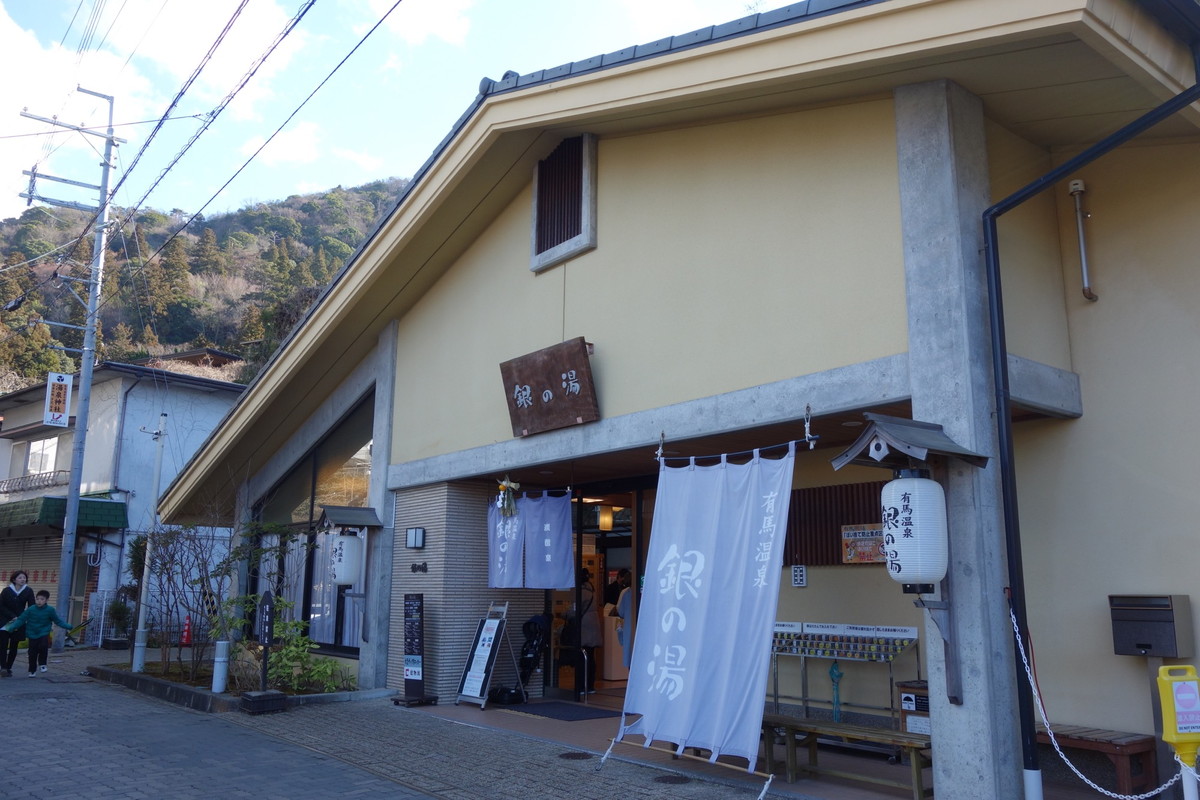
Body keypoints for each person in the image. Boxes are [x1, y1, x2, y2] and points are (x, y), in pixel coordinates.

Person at [1, 589, 72, 677]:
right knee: (32, 652)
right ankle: (32, 670)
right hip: (32, 633)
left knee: (43, 645)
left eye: (42, 599)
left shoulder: (50, 610)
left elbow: (57, 621)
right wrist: (12, 627)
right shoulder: (31, 609)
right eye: (37, 599)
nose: (39, 601)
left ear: (46, 600)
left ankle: (42, 664)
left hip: (43, 631)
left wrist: (68, 626)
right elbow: (21, 619)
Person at [574, 567, 603, 695]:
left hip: (584, 627)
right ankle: (590, 685)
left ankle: (581, 686)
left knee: (582, 657)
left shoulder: (582, 592)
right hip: (593, 626)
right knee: (590, 657)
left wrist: (565, 614)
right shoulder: (592, 590)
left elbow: (574, 610)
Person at [0, 570, 34, 677]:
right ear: (14, 579)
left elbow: (31, 606)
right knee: (3, 645)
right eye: (20, 578)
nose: (22, 579)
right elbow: (1, 606)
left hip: (19, 621)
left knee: (14, 646)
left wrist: (23, 617)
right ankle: (3, 667)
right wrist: (12, 616)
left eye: (24, 578)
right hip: (5, 621)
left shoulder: (28, 591)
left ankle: (8, 667)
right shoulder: (6, 591)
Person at [609, 570, 634, 669]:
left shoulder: (626, 593)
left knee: (629, 653)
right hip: (641, 628)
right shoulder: (644, 592)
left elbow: (620, 611)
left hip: (628, 626)